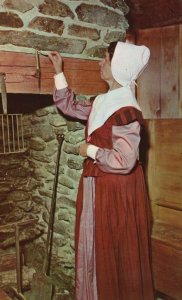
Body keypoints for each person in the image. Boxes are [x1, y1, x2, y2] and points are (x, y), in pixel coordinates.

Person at [48, 41, 154, 300]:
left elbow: (124, 160)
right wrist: (58, 71)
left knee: (114, 253)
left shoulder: (127, 111)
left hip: (117, 192)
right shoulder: (104, 101)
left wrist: (90, 151)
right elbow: (70, 106)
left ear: (117, 66)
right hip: (100, 186)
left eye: (105, 59)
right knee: (97, 250)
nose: (100, 63)